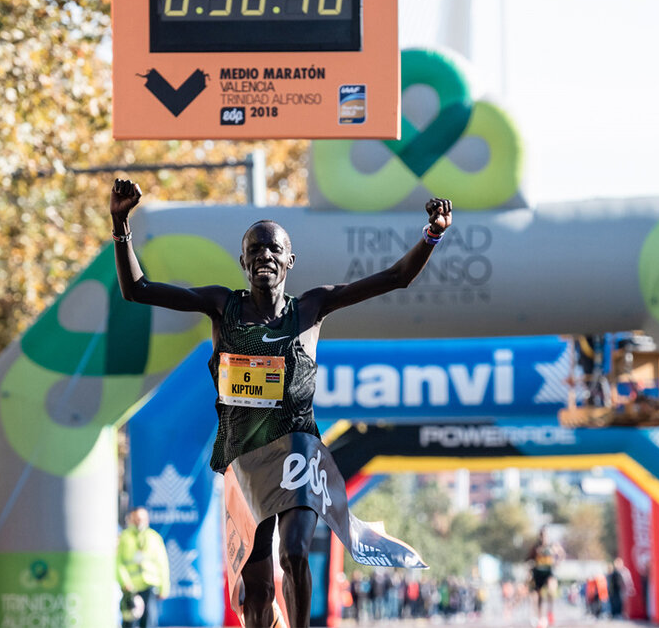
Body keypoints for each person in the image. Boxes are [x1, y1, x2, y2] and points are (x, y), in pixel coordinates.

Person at [111, 179, 450, 628]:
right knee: (256, 591)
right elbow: (137, 290)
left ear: (290, 260)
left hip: (297, 452)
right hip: (244, 457)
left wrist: (432, 234)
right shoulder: (222, 306)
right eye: (254, 249)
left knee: (293, 553)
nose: (264, 255)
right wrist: (120, 224)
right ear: (243, 262)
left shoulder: (311, 307)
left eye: (274, 249)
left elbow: (395, 277)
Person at [116, 506, 170, 628]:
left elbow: (162, 564)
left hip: (149, 585)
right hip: (130, 587)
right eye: (136, 518)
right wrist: (124, 582)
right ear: (131, 519)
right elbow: (118, 562)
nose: (139, 521)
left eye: (142, 518)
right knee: (129, 621)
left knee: (149, 621)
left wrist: (164, 588)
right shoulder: (124, 537)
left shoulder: (154, 538)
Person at [526, 526, 563, 628]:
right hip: (538, 573)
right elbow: (528, 559)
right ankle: (540, 617)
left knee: (551, 590)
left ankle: (550, 612)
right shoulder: (536, 547)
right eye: (542, 536)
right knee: (539, 597)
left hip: (548, 571)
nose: (544, 538)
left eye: (545, 536)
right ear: (540, 536)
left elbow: (561, 553)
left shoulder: (552, 546)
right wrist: (529, 567)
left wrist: (557, 562)